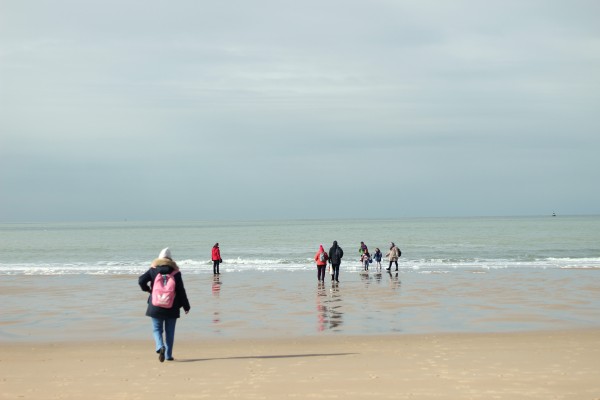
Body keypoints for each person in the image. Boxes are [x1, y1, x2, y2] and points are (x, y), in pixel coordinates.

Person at [138, 247, 191, 362]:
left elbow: (141, 280)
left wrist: (148, 290)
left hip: (155, 305)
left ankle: (159, 346)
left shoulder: (153, 270)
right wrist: (186, 306)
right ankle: (168, 355)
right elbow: (181, 291)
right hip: (172, 306)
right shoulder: (176, 273)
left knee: (157, 329)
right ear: (170, 259)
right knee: (170, 332)